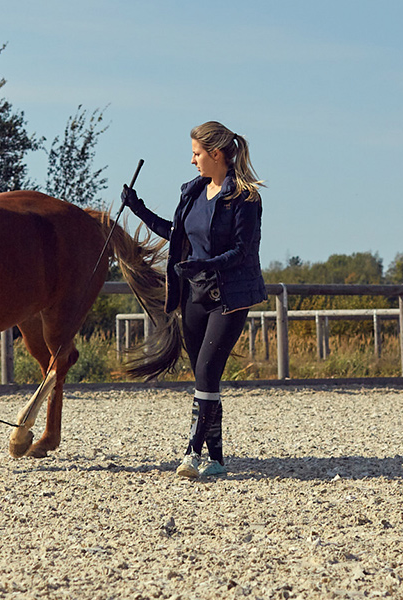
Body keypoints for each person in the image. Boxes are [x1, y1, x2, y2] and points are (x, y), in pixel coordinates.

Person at [120, 121, 267, 479]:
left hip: (228, 298)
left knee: (205, 371)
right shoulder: (193, 192)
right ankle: (216, 459)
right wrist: (136, 208)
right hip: (193, 295)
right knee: (207, 380)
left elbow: (242, 252)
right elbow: (176, 233)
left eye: (196, 154)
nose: (192, 160)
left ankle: (191, 454)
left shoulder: (245, 199)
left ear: (216, 154)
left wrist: (205, 264)